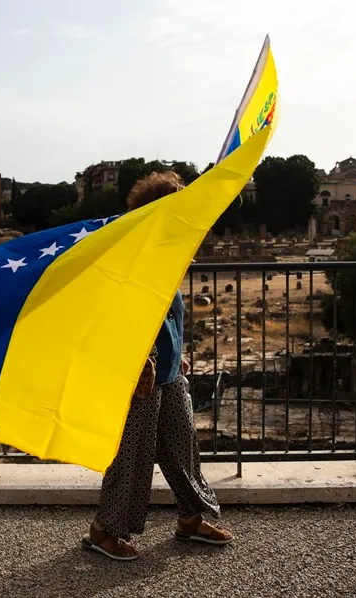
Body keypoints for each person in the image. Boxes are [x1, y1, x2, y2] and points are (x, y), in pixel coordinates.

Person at [82, 171, 234, 561]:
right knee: (131, 456)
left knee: (183, 450)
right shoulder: (134, 255)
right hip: (139, 377)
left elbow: (167, 315)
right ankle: (103, 531)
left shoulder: (167, 252)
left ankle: (191, 518)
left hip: (168, 374)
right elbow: (120, 315)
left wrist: (177, 351)